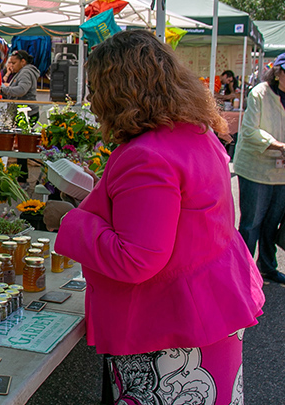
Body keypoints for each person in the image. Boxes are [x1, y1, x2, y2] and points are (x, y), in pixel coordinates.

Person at [52, 30, 264, 404]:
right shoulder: (197, 133)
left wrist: (68, 220)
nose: (91, 99)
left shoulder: (147, 155)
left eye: (96, 87)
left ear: (119, 89)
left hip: (169, 332)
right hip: (207, 312)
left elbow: (137, 258)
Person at [233, 52, 285, 284]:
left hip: (281, 173)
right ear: (278, 72)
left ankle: (267, 267)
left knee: (272, 223)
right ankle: (243, 271)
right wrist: (278, 145)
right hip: (255, 169)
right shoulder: (259, 93)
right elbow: (251, 131)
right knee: (251, 223)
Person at [0, 50, 40, 186]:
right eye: (10, 63)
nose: (11, 65)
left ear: (23, 61)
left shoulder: (25, 72)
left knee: (22, 146)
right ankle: (21, 178)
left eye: (14, 63)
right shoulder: (22, 72)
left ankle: (22, 179)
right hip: (23, 113)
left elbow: (21, 91)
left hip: (26, 114)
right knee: (21, 146)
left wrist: (3, 90)